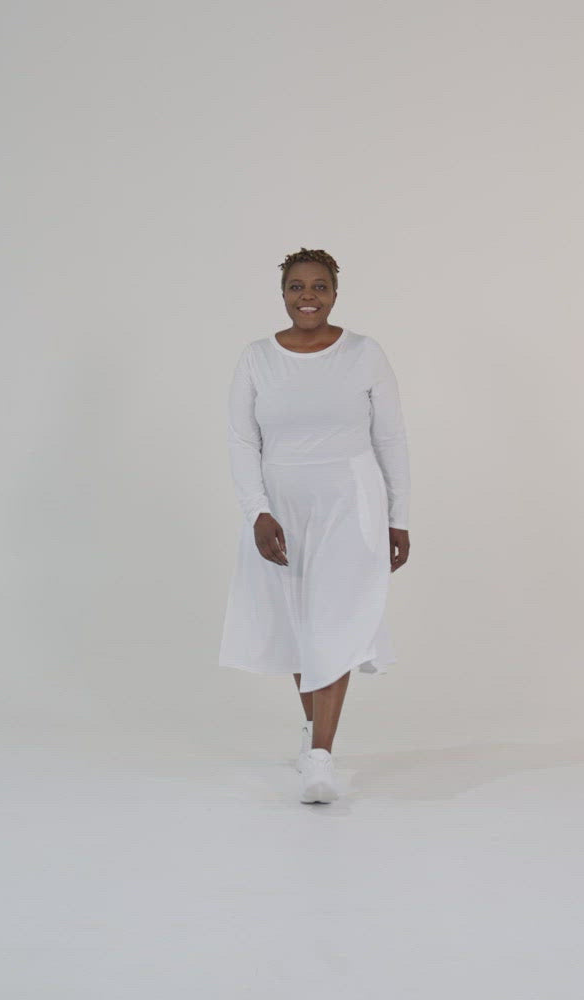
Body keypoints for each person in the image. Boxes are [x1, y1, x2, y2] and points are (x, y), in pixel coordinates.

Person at [218, 247, 411, 804]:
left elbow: (390, 438)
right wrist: (257, 511)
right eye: (297, 287)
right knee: (301, 622)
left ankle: (321, 756)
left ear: (335, 293)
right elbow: (242, 441)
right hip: (282, 505)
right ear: (283, 294)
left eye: (320, 286)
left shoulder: (364, 353)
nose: (308, 296)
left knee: (334, 620)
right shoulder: (257, 358)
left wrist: (399, 517)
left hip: (352, 501)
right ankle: (313, 736)